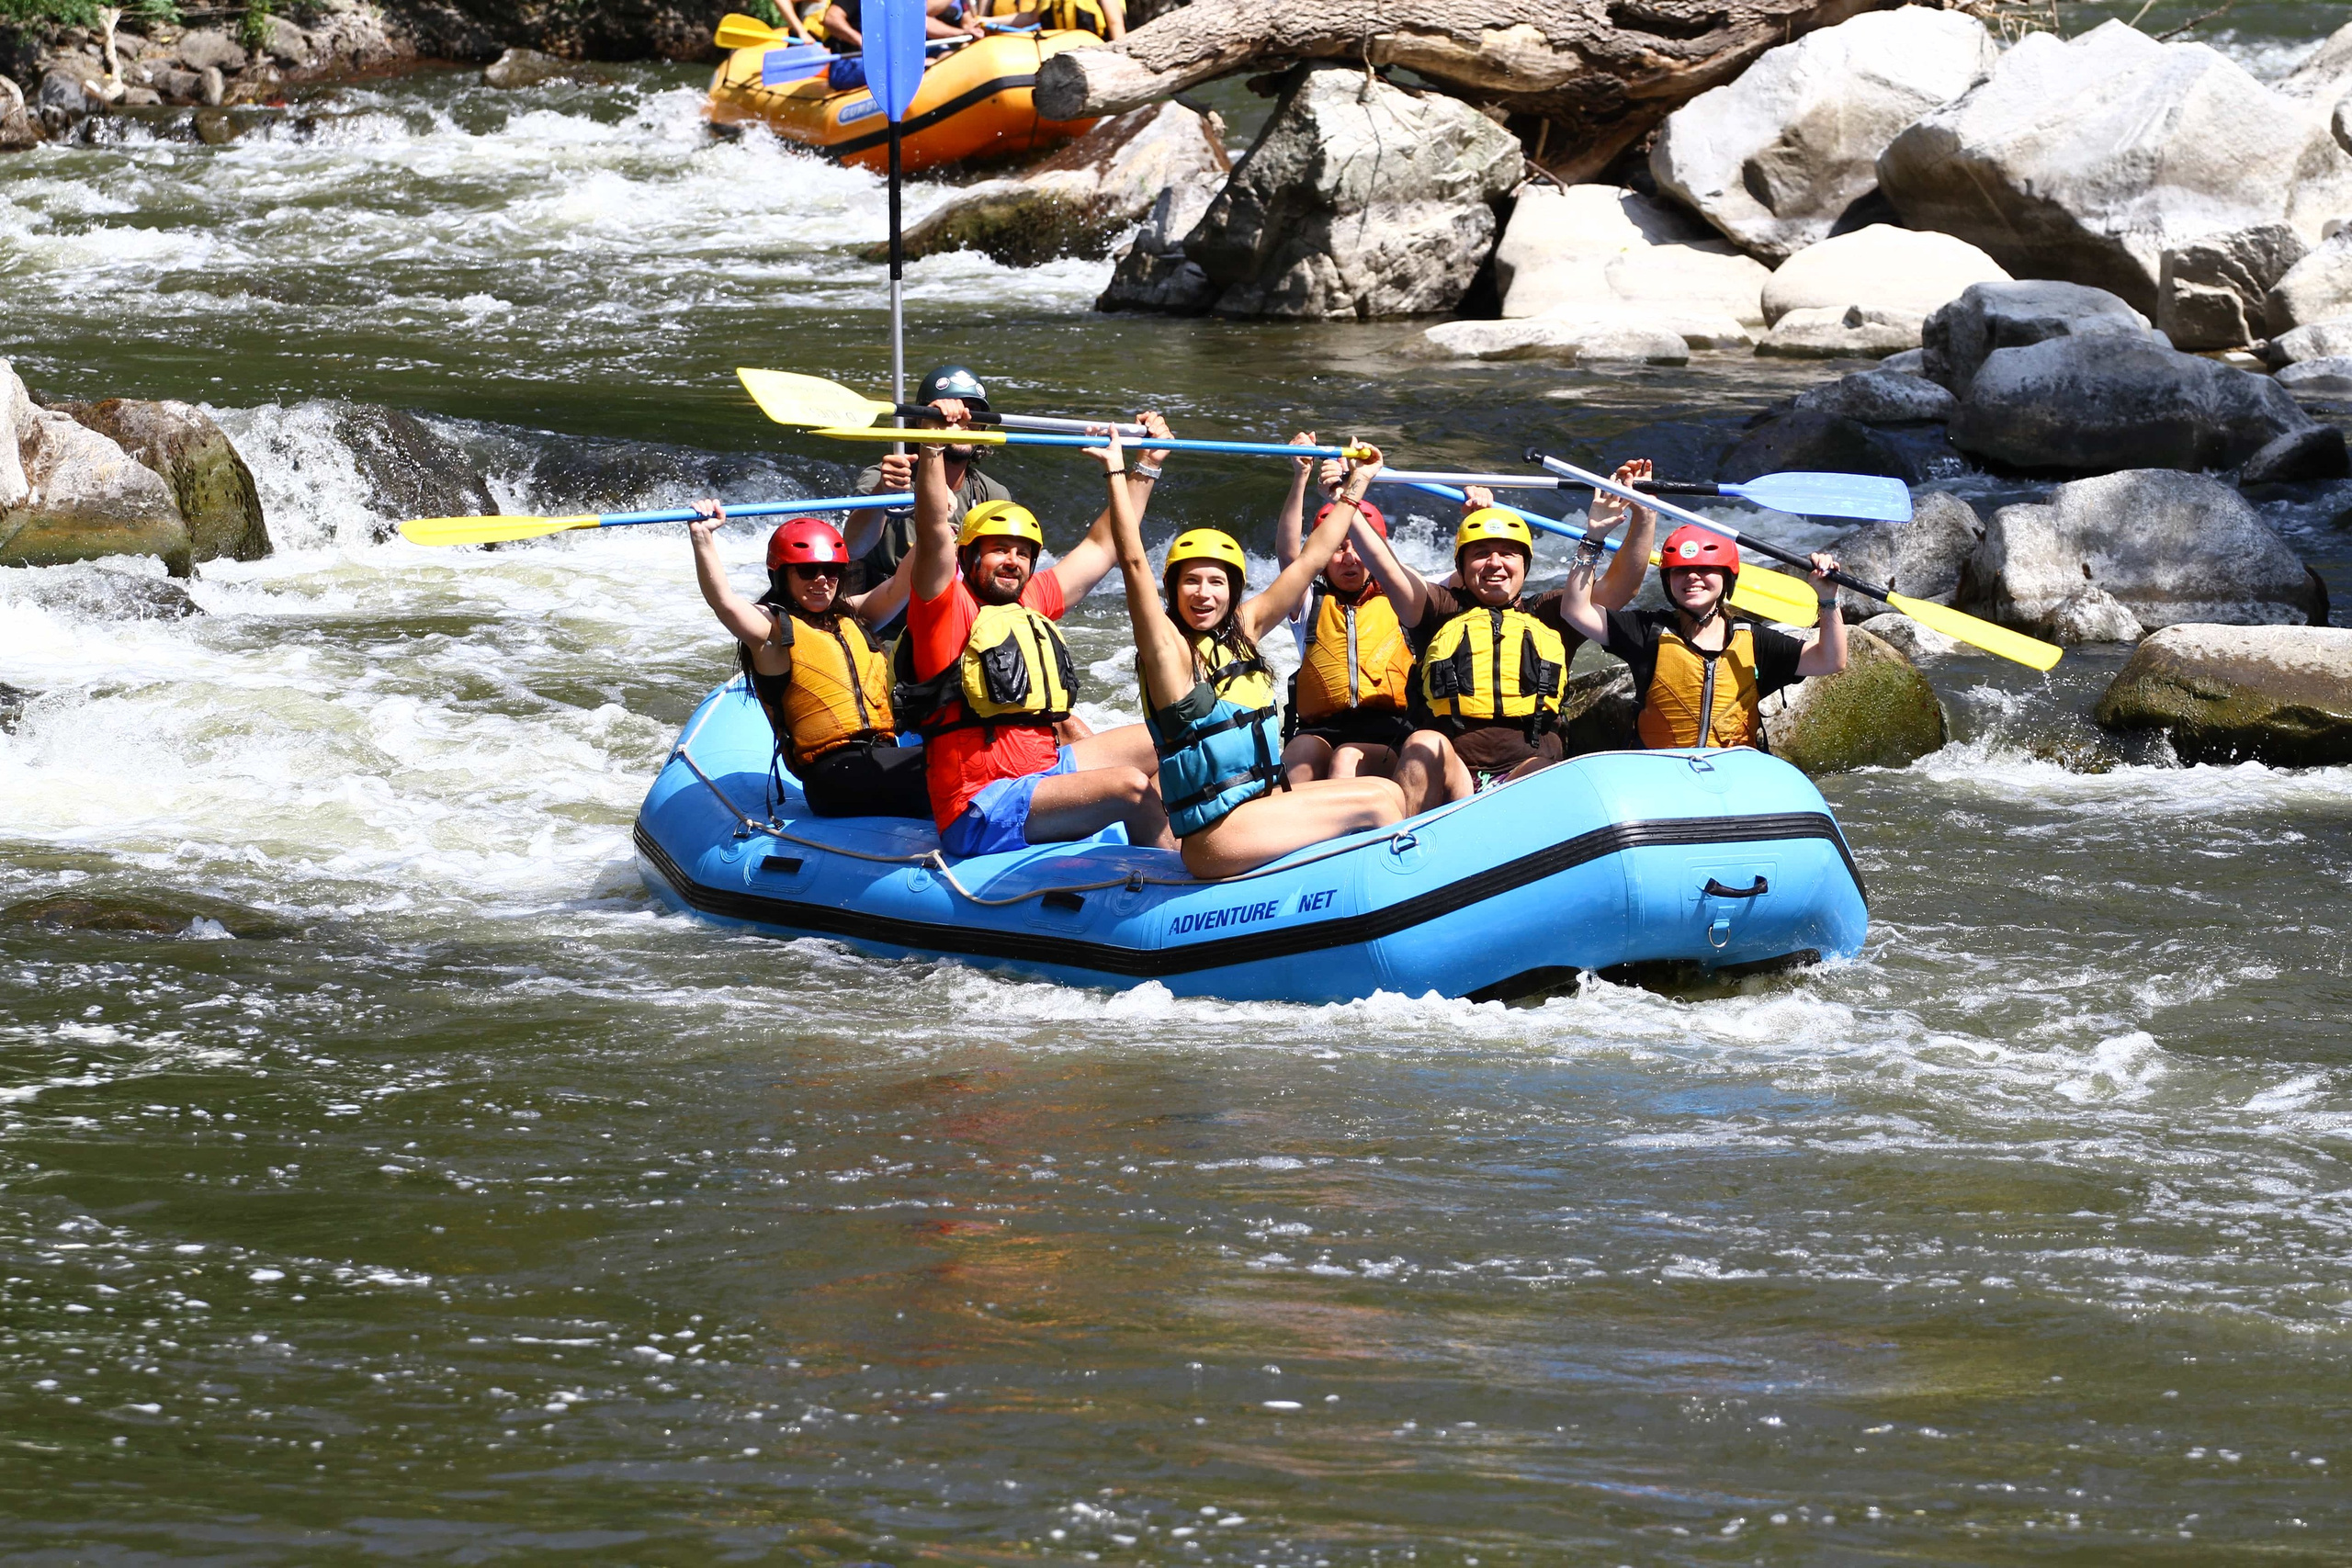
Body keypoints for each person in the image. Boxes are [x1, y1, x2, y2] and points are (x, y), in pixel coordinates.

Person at [1096, 428, 1404, 878]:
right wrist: (1119, 473)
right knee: (1375, 802)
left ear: (1233, 590)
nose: (1204, 594)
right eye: (1191, 581)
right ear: (1173, 589)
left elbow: (1311, 558)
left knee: (1388, 792)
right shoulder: (1167, 650)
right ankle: (1377, 904)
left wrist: (1359, 482)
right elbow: (1134, 562)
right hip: (1218, 837)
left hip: (1263, 812)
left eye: (1216, 582)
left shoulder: (1244, 629)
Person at [900, 402, 1174, 857]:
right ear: (968, 558)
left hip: (1047, 774)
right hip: (982, 807)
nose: (1012, 561)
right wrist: (932, 444)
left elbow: (1104, 544)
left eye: (1023, 553)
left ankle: (1165, 836)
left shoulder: (1033, 599)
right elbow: (931, 531)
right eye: (998, 550)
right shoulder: (943, 608)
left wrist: (1145, 466)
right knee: (1129, 785)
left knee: (1169, 734)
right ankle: (1176, 874)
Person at [1350, 464, 1661, 814]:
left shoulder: (1552, 613)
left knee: (1543, 772)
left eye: (1507, 554)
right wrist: (1349, 497)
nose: (1494, 563)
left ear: (1525, 566)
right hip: (1455, 776)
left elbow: (1621, 588)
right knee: (1424, 741)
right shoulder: (1439, 609)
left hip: (1525, 771)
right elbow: (1386, 568)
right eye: (1481, 554)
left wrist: (1644, 515)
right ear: (1463, 568)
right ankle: (1409, 849)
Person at [687, 503, 931, 819]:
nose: (821, 581)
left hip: (882, 760)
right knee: (944, 762)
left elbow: (900, 585)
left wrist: (931, 523)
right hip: (833, 776)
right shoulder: (771, 631)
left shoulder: (855, 618)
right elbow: (724, 602)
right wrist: (702, 536)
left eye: (830, 571)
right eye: (806, 571)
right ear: (781, 576)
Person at [1558, 511, 1848, 750]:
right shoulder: (1648, 631)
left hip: (1731, 772)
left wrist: (1828, 598)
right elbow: (1576, 610)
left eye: (1704, 569)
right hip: (1661, 772)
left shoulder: (1756, 641)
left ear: (1726, 578)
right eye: (1681, 571)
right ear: (1668, 581)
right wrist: (1593, 540)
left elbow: (1831, 660)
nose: (1692, 577)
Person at [1272, 433, 1416, 786]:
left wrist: (1482, 511)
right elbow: (1290, 558)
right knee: (1297, 757)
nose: (1350, 558)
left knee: (1346, 759)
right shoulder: (1309, 604)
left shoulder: (1404, 597)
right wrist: (1299, 476)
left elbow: (1471, 577)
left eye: (1359, 548)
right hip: (1319, 728)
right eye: (1337, 547)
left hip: (1389, 732)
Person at [842, 364, 1011, 608]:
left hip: (954, 613)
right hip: (887, 615)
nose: (960, 422)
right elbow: (854, 548)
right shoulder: (888, 477)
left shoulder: (993, 495)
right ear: (922, 421)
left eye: (972, 412)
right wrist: (882, 494)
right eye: (946, 415)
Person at [819, 0, 985, 87]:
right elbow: (832, 18)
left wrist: (962, 33)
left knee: (948, 58)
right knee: (917, 66)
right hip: (852, 61)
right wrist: (862, 41)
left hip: (896, 56)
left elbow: (920, 20)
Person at [980, 0, 1125, 39]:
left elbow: (1115, 22)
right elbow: (1031, 17)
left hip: (1096, 51)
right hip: (1059, 56)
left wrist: (1120, 55)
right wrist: (987, 21)